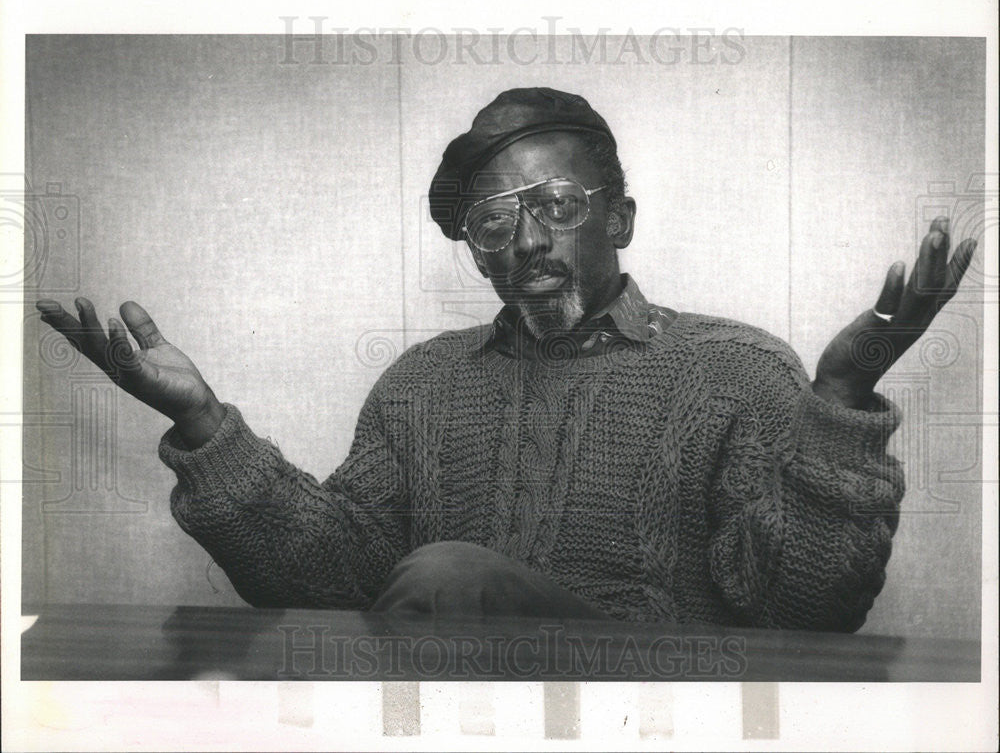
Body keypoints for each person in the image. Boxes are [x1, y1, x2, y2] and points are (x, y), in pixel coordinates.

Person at [35, 88, 976, 632]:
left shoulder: (734, 371)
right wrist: (201, 424)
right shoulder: (422, 384)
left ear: (620, 220)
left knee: (446, 572)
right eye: (493, 219)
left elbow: (809, 613)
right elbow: (336, 578)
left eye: (559, 204)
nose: (526, 238)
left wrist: (844, 397)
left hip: (662, 719)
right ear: (477, 248)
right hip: (443, 718)